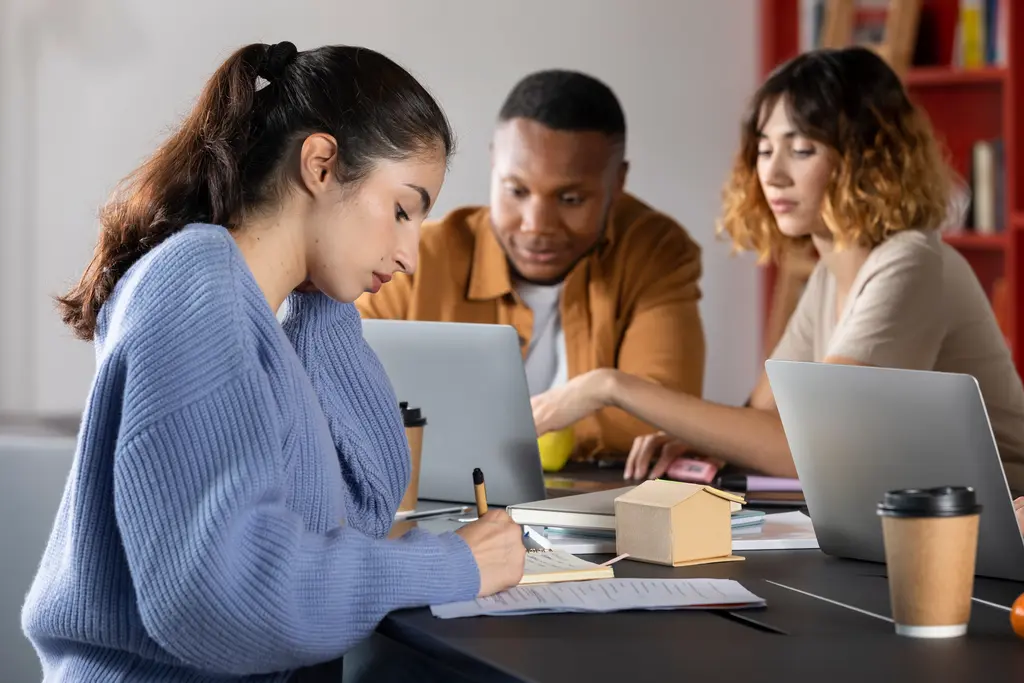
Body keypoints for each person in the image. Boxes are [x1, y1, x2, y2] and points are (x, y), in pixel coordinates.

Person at [21, 41, 525, 682]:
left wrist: (324, 306)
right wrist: (456, 565)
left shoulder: (267, 314)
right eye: (401, 210)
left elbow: (364, 513)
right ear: (320, 164)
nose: (408, 256)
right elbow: (225, 596)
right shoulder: (195, 286)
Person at [531, 46, 1024, 502]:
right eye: (764, 149)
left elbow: (813, 447)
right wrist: (705, 438)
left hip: (994, 527)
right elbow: (765, 417)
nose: (773, 173)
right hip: (913, 514)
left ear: (869, 158)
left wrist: (608, 386)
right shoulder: (830, 275)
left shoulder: (911, 263)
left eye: (802, 149)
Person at [355, 69, 705, 462]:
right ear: (494, 165)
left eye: (570, 199)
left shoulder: (655, 250)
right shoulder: (417, 260)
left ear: (617, 182)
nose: (536, 225)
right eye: (516, 190)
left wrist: (461, 428)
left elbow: (668, 416)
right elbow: (347, 401)